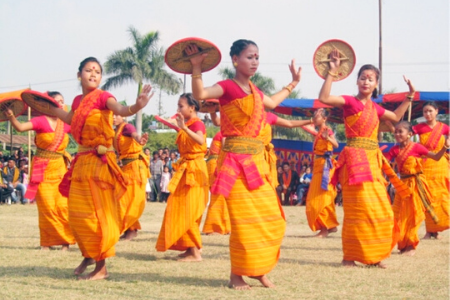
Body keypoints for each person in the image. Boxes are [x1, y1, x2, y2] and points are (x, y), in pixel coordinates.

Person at [187, 39, 301, 289]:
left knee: (271, 218)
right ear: (235, 60)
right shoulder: (227, 86)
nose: (254, 61)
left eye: (257, 57)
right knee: (242, 223)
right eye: (249, 57)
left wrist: (293, 82)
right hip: (234, 166)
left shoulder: (256, 92)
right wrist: (197, 67)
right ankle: (236, 275)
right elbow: (201, 94)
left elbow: (273, 103)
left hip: (257, 165)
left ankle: (258, 268)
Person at [50, 56, 153, 280]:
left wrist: (137, 106)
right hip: (81, 163)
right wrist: (46, 108)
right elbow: (69, 117)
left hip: (99, 164)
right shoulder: (78, 101)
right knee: (77, 216)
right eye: (88, 70)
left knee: (97, 216)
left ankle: (101, 267)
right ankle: (89, 254)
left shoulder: (104, 97)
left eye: (97, 71)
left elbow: (121, 109)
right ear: (79, 74)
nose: (93, 74)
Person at [318, 49, 416, 268]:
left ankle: (375, 255)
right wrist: (332, 72)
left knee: (379, 208)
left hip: (372, 161)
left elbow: (397, 117)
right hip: (353, 161)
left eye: (370, 79)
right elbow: (324, 98)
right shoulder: (350, 102)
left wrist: (410, 96)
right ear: (357, 81)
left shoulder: (376, 108)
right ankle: (349, 258)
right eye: (362, 78)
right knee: (356, 210)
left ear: (376, 84)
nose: (366, 82)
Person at [2, 91, 75, 250]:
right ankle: (47, 243)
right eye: (57, 101)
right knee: (47, 207)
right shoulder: (40, 121)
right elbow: (20, 128)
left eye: (62, 101)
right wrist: (11, 116)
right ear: (48, 104)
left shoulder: (66, 123)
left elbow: (82, 131)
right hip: (42, 169)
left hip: (61, 170)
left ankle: (65, 242)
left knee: (63, 207)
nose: (60, 104)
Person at [155, 93, 208, 262]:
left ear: (192, 108)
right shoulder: (187, 124)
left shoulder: (197, 123)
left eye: (181, 106)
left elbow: (200, 141)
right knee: (179, 207)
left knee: (189, 209)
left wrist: (184, 128)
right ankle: (189, 247)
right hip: (186, 169)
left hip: (195, 170)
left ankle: (195, 252)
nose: (178, 109)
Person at [385, 121, 450, 256]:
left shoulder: (417, 148)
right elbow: (385, 164)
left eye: (400, 132)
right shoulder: (394, 150)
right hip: (402, 187)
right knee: (397, 216)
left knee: (413, 216)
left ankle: (411, 246)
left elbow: (437, 157)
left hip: (416, 186)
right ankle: (402, 244)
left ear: (409, 134)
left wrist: (445, 147)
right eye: (395, 132)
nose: (397, 134)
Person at [412, 101, 450, 240]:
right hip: (426, 163)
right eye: (425, 112)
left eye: (430, 111)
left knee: (441, 196)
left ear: (436, 111)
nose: (427, 114)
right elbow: (405, 133)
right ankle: (429, 230)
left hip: (440, 165)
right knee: (427, 197)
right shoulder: (419, 127)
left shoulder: (444, 127)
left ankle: (437, 230)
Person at [113, 114, 150, 241]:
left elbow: (135, 135)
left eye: (116, 115)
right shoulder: (114, 131)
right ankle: (131, 229)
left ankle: (130, 229)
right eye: (111, 115)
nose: (113, 117)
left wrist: (140, 140)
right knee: (122, 199)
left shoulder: (127, 127)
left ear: (123, 116)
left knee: (132, 199)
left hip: (135, 167)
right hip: (124, 168)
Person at [304, 108, 339, 237]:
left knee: (320, 198)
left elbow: (336, 144)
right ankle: (331, 225)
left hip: (325, 167)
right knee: (317, 197)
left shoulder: (326, 131)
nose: (315, 118)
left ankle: (325, 228)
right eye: (314, 116)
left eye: (317, 116)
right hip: (318, 166)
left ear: (324, 119)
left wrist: (328, 138)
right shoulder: (319, 132)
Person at [202, 130, 231, 235]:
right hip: (217, 163)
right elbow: (225, 148)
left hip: (215, 162)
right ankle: (213, 227)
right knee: (218, 196)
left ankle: (222, 226)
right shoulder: (224, 134)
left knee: (222, 196)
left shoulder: (223, 133)